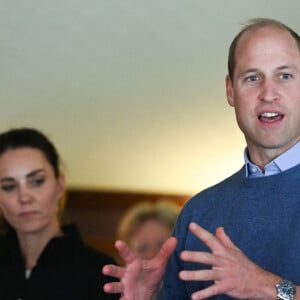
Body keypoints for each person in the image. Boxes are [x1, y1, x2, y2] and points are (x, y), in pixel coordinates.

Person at [102, 17, 300, 300]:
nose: (268, 94)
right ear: (231, 91)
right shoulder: (198, 213)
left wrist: (265, 287)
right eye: (252, 78)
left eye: (284, 76)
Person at [0, 127, 119, 300]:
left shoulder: (98, 271)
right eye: (9, 187)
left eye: (37, 181)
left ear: (59, 184)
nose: (24, 197)